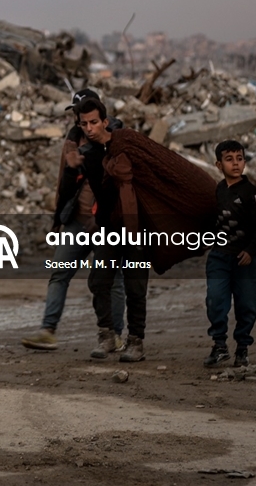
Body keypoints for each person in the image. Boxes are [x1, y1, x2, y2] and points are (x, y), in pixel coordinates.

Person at [21, 89, 126, 355]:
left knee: (112, 280)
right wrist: (58, 218)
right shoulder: (72, 141)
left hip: (106, 225)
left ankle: (115, 334)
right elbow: (64, 182)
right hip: (77, 221)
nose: (84, 123)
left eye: (90, 118)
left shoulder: (116, 140)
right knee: (59, 273)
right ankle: (48, 330)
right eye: (80, 117)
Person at [76, 97, 150, 362]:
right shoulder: (89, 155)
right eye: (84, 123)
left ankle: (136, 341)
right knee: (98, 281)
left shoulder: (126, 145)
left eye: (94, 122)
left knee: (135, 286)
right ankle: (107, 335)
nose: (89, 128)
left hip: (137, 227)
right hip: (109, 229)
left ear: (104, 121)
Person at [204, 140, 256, 368]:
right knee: (215, 299)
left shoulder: (252, 193)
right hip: (219, 257)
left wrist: (251, 250)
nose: (236, 164)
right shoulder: (219, 190)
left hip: (244, 261)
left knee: (246, 305)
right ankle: (219, 345)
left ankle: (242, 348)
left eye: (239, 159)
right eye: (229, 159)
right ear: (219, 165)